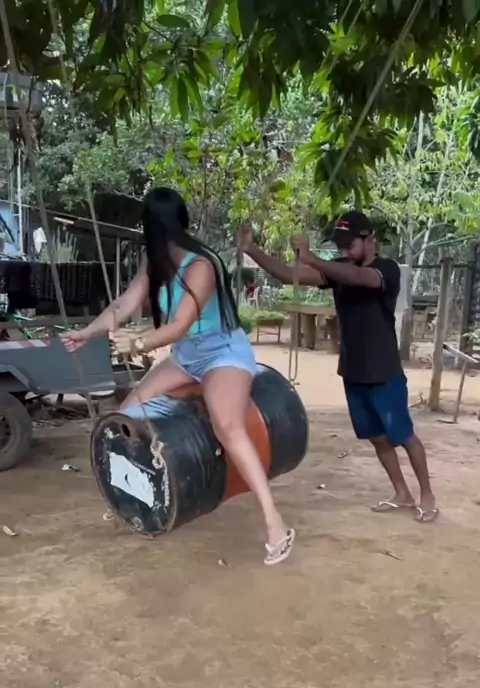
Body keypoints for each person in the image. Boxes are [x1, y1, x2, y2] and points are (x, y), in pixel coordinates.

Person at [61, 187, 295, 563]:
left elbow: (180, 325)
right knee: (129, 413)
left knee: (227, 425)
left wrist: (138, 343)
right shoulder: (154, 262)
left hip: (222, 353)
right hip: (186, 357)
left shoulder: (201, 265)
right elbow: (124, 304)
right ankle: (131, 498)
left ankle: (275, 523)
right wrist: (88, 332)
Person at [237, 212, 438, 523]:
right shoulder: (338, 269)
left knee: (403, 435)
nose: (343, 250)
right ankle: (402, 493)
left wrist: (313, 258)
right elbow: (288, 274)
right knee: (377, 437)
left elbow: (360, 278)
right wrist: (251, 249)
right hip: (354, 372)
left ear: (369, 240)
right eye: (340, 244)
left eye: (350, 244)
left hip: (384, 372)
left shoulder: (386, 269)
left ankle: (427, 495)